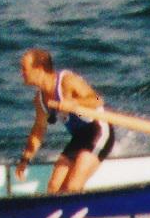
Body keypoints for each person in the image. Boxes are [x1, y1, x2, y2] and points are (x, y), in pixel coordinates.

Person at [18, 49, 111, 195]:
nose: (21, 73)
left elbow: (98, 100)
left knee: (73, 186)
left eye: (24, 68)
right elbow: (38, 131)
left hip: (98, 131)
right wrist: (25, 160)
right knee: (53, 187)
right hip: (79, 138)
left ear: (39, 69)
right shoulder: (40, 99)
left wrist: (74, 103)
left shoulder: (67, 81)